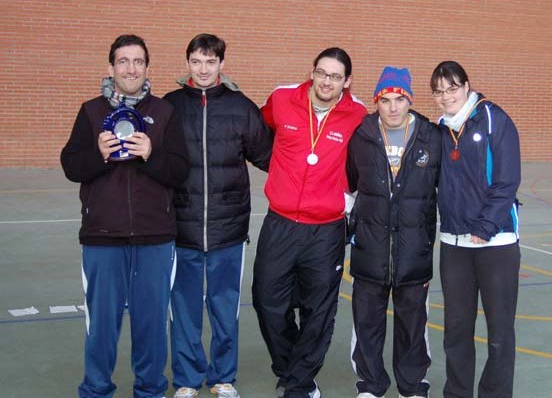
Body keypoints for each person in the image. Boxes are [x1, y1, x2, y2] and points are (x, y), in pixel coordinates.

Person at [60, 34, 190, 398]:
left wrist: (151, 154)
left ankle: (149, 391)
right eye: (123, 61)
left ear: (147, 67)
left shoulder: (164, 113)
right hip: (102, 237)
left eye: (137, 61)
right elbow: (72, 165)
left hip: (155, 237)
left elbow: (179, 170)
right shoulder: (90, 111)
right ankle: (96, 390)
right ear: (111, 67)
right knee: (101, 326)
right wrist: (98, 155)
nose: (130, 68)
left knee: (151, 326)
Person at [251, 47, 367, 398]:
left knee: (318, 310)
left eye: (335, 76)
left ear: (346, 81)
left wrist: (348, 194)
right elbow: (257, 132)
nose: (326, 81)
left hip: (326, 228)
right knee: (267, 299)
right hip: (281, 222)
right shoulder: (283, 98)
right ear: (312, 72)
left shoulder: (358, 114)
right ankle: (289, 368)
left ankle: (300, 385)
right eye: (321, 72)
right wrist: (278, 170)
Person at [163, 33, 273, 398]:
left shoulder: (242, 107)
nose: (204, 68)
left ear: (222, 64)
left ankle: (223, 377)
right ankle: (187, 379)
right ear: (188, 63)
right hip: (182, 229)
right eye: (197, 61)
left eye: (211, 62)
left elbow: (270, 157)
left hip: (228, 230)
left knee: (225, 309)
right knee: (184, 310)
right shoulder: (171, 106)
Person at [347, 67, 441, 398]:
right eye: (385, 100)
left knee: (413, 328)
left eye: (399, 99)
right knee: (367, 326)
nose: (393, 107)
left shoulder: (431, 137)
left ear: (409, 100)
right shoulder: (361, 135)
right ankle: (370, 386)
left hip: (413, 253)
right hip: (370, 253)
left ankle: (413, 386)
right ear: (376, 102)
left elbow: (443, 192)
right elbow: (349, 186)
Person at [429, 60, 521, 398]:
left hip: (496, 243)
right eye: (438, 91)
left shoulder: (495, 119)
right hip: (454, 245)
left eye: (451, 88)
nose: (445, 96)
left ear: (466, 85)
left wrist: (486, 226)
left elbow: (507, 180)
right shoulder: (439, 129)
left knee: (498, 333)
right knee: (456, 330)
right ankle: (457, 393)